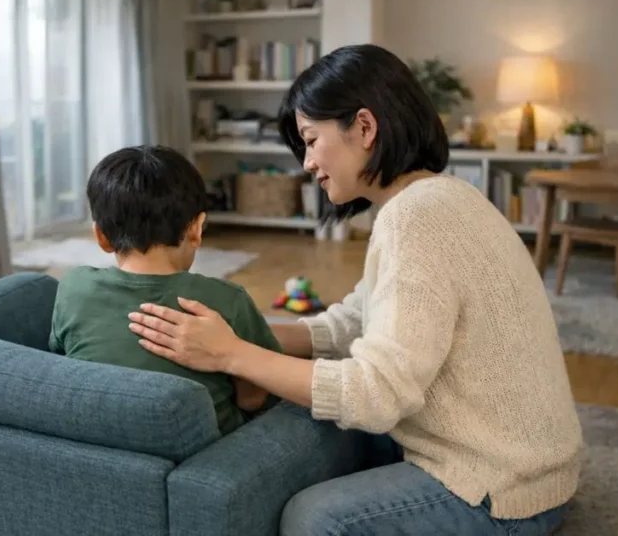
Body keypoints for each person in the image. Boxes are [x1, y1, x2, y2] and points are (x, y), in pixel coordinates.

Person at [127, 45, 583, 534]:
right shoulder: (436, 198)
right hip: (514, 459)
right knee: (311, 413)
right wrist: (245, 332)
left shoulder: (417, 217)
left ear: (365, 127)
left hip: (504, 486)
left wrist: (232, 355)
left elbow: (375, 393)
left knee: (315, 518)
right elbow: (355, 321)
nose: (307, 163)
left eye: (311, 140)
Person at [49, 145, 281, 435]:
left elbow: (62, 362)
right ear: (196, 229)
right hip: (206, 450)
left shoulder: (73, 288)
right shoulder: (229, 300)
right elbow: (253, 398)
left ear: (101, 236)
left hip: (98, 440)